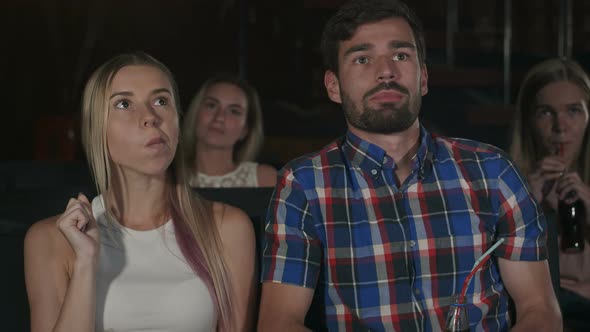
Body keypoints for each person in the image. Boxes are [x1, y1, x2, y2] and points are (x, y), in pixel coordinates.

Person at [258, 0, 562, 331]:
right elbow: (279, 323)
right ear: (334, 86)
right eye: (362, 59)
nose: (386, 71)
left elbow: (539, 309)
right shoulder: (303, 184)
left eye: (400, 55)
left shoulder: (492, 171)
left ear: (424, 78)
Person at [24, 52, 257, 332]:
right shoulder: (50, 239)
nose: (150, 117)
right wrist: (86, 263)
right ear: (97, 128)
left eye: (161, 101)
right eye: (124, 104)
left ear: (178, 121)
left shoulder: (226, 228)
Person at [509, 58, 590, 331]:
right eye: (546, 113)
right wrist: (523, 203)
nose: (560, 126)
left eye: (573, 111)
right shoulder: (507, 181)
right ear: (529, 119)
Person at [182, 74, 277, 188]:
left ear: (246, 129)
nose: (219, 117)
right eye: (211, 105)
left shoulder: (266, 179)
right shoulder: (166, 178)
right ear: (195, 113)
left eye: (234, 111)